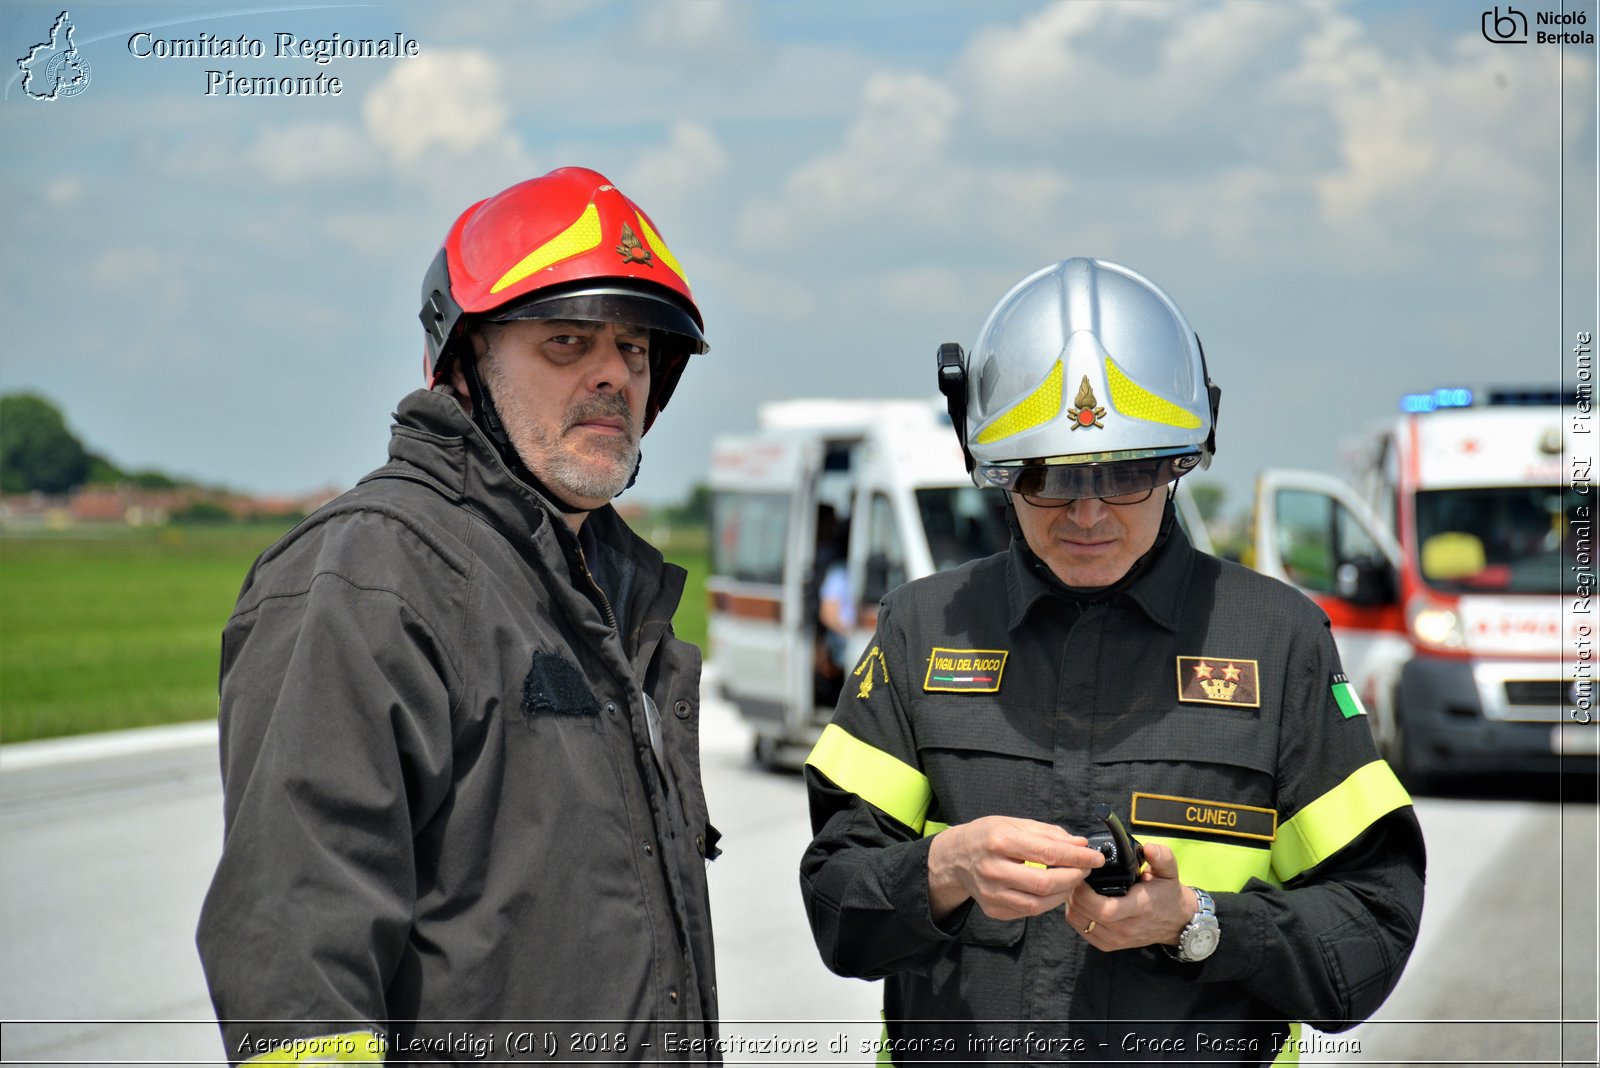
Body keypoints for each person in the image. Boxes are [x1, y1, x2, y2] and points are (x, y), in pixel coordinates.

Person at [800, 258, 1425, 1064]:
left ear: (1180, 459)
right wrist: (942, 869)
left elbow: (1371, 929)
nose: (1087, 512)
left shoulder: (1281, 641)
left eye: (1125, 473)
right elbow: (835, 908)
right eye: (1049, 476)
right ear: (990, 465)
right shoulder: (921, 630)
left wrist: (1198, 923)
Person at [196, 167, 721, 1064]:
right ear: (465, 362)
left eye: (636, 349)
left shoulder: (611, 590)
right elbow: (295, 968)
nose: (613, 375)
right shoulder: (372, 574)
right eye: (566, 342)